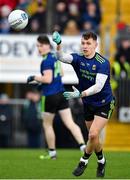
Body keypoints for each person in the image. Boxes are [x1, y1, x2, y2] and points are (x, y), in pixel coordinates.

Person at [52, 31, 115, 177]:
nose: (85, 46)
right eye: (83, 43)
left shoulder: (103, 63)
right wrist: (59, 44)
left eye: (88, 43)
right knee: (93, 138)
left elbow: (98, 87)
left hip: (104, 103)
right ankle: (101, 161)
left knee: (93, 133)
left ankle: (83, 161)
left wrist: (80, 94)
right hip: (88, 103)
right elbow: (60, 57)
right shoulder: (78, 58)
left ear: (95, 45)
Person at [27, 35, 86, 159]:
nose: (39, 48)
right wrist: (43, 82)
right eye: (37, 46)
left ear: (48, 45)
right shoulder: (54, 57)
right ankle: (83, 146)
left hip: (50, 95)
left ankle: (52, 153)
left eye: (41, 45)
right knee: (70, 123)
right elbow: (62, 74)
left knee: (47, 125)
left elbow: (48, 79)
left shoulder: (46, 60)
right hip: (61, 93)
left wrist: (34, 78)